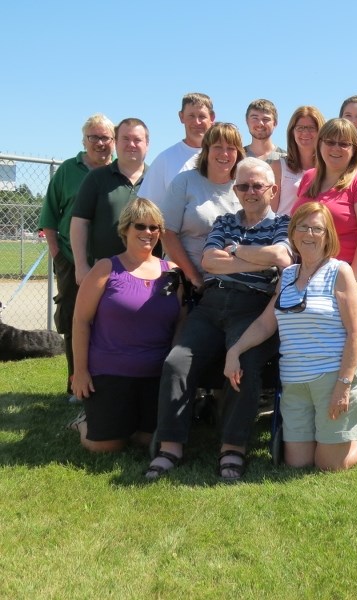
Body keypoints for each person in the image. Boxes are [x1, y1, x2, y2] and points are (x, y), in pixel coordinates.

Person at [146, 157, 292, 482]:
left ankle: (232, 448)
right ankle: (171, 447)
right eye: (243, 185)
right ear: (236, 190)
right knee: (176, 362)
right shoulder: (224, 220)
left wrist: (235, 252)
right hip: (211, 305)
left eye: (257, 185)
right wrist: (259, 259)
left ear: (273, 189)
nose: (250, 191)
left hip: (254, 308)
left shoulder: (284, 223)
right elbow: (210, 262)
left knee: (244, 364)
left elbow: (282, 257)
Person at [225, 202, 357, 471]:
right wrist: (234, 351)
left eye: (317, 228)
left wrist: (343, 384)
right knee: (298, 463)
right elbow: (265, 324)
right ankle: (340, 434)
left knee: (329, 465)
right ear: (293, 233)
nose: (309, 234)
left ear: (328, 235)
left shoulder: (339, 271)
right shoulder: (288, 275)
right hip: (294, 381)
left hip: (332, 377)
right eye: (303, 227)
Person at [68, 198, 183, 452]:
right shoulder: (105, 268)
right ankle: (83, 423)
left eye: (155, 228)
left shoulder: (173, 272)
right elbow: (80, 321)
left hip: (156, 375)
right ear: (125, 229)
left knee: (146, 441)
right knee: (106, 446)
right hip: (110, 372)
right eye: (140, 226)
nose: (148, 233)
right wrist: (81, 372)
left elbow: (180, 325)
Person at [38, 113, 115, 402]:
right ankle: (76, 383)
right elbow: (49, 217)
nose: (100, 143)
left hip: (111, 262)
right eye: (93, 137)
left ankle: (106, 380)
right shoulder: (68, 171)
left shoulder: (120, 172)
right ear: (83, 141)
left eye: (105, 137)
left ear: (114, 142)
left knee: (110, 321)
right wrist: (60, 258)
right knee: (74, 321)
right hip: (73, 262)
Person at [292, 118, 357, 321]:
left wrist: (350, 279)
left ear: (353, 150)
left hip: (350, 269)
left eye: (344, 143)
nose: (336, 148)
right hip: (309, 271)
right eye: (330, 141)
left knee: (346, 339)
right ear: (320, 143)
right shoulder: (309, 178)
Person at [160, 122, 245, 291]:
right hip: (186, 282)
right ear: (206, 150)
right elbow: (167, 233)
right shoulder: (184, 181)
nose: (224, 153)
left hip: (231, 286)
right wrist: (194, 277)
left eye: (231, 148)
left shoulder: (244, 187)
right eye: (217, 147)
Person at [71, 118, 150, 286]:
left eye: (137, 140)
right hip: (104, 273)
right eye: (125, 139)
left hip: (148, 274)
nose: (131, 144)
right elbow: (79, 223)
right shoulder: (96, 178)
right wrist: (81, 266)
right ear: (115, 142)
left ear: (147, 144)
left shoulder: (158, 178)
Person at [138, 93, 215, 209]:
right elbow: (146, 207)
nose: (197, 122)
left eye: (202, 116)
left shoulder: (223, 158)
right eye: (191, 116)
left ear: (212, 118)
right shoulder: (165, 159)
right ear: (181, 117)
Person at [269, 106, 324, 216]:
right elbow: (270, 212)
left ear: (321, 132)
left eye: (311, 128)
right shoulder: (278, 166)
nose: (305, 132)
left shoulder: (328, 169)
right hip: (283, 231)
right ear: (292, 132)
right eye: (300, 128)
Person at [243, 99, 286, 164]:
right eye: (255, 118)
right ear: (247, 121)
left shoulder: (286, 159)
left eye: (266, 119)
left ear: (275, 123)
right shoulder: (237, 157)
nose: (260, 123)